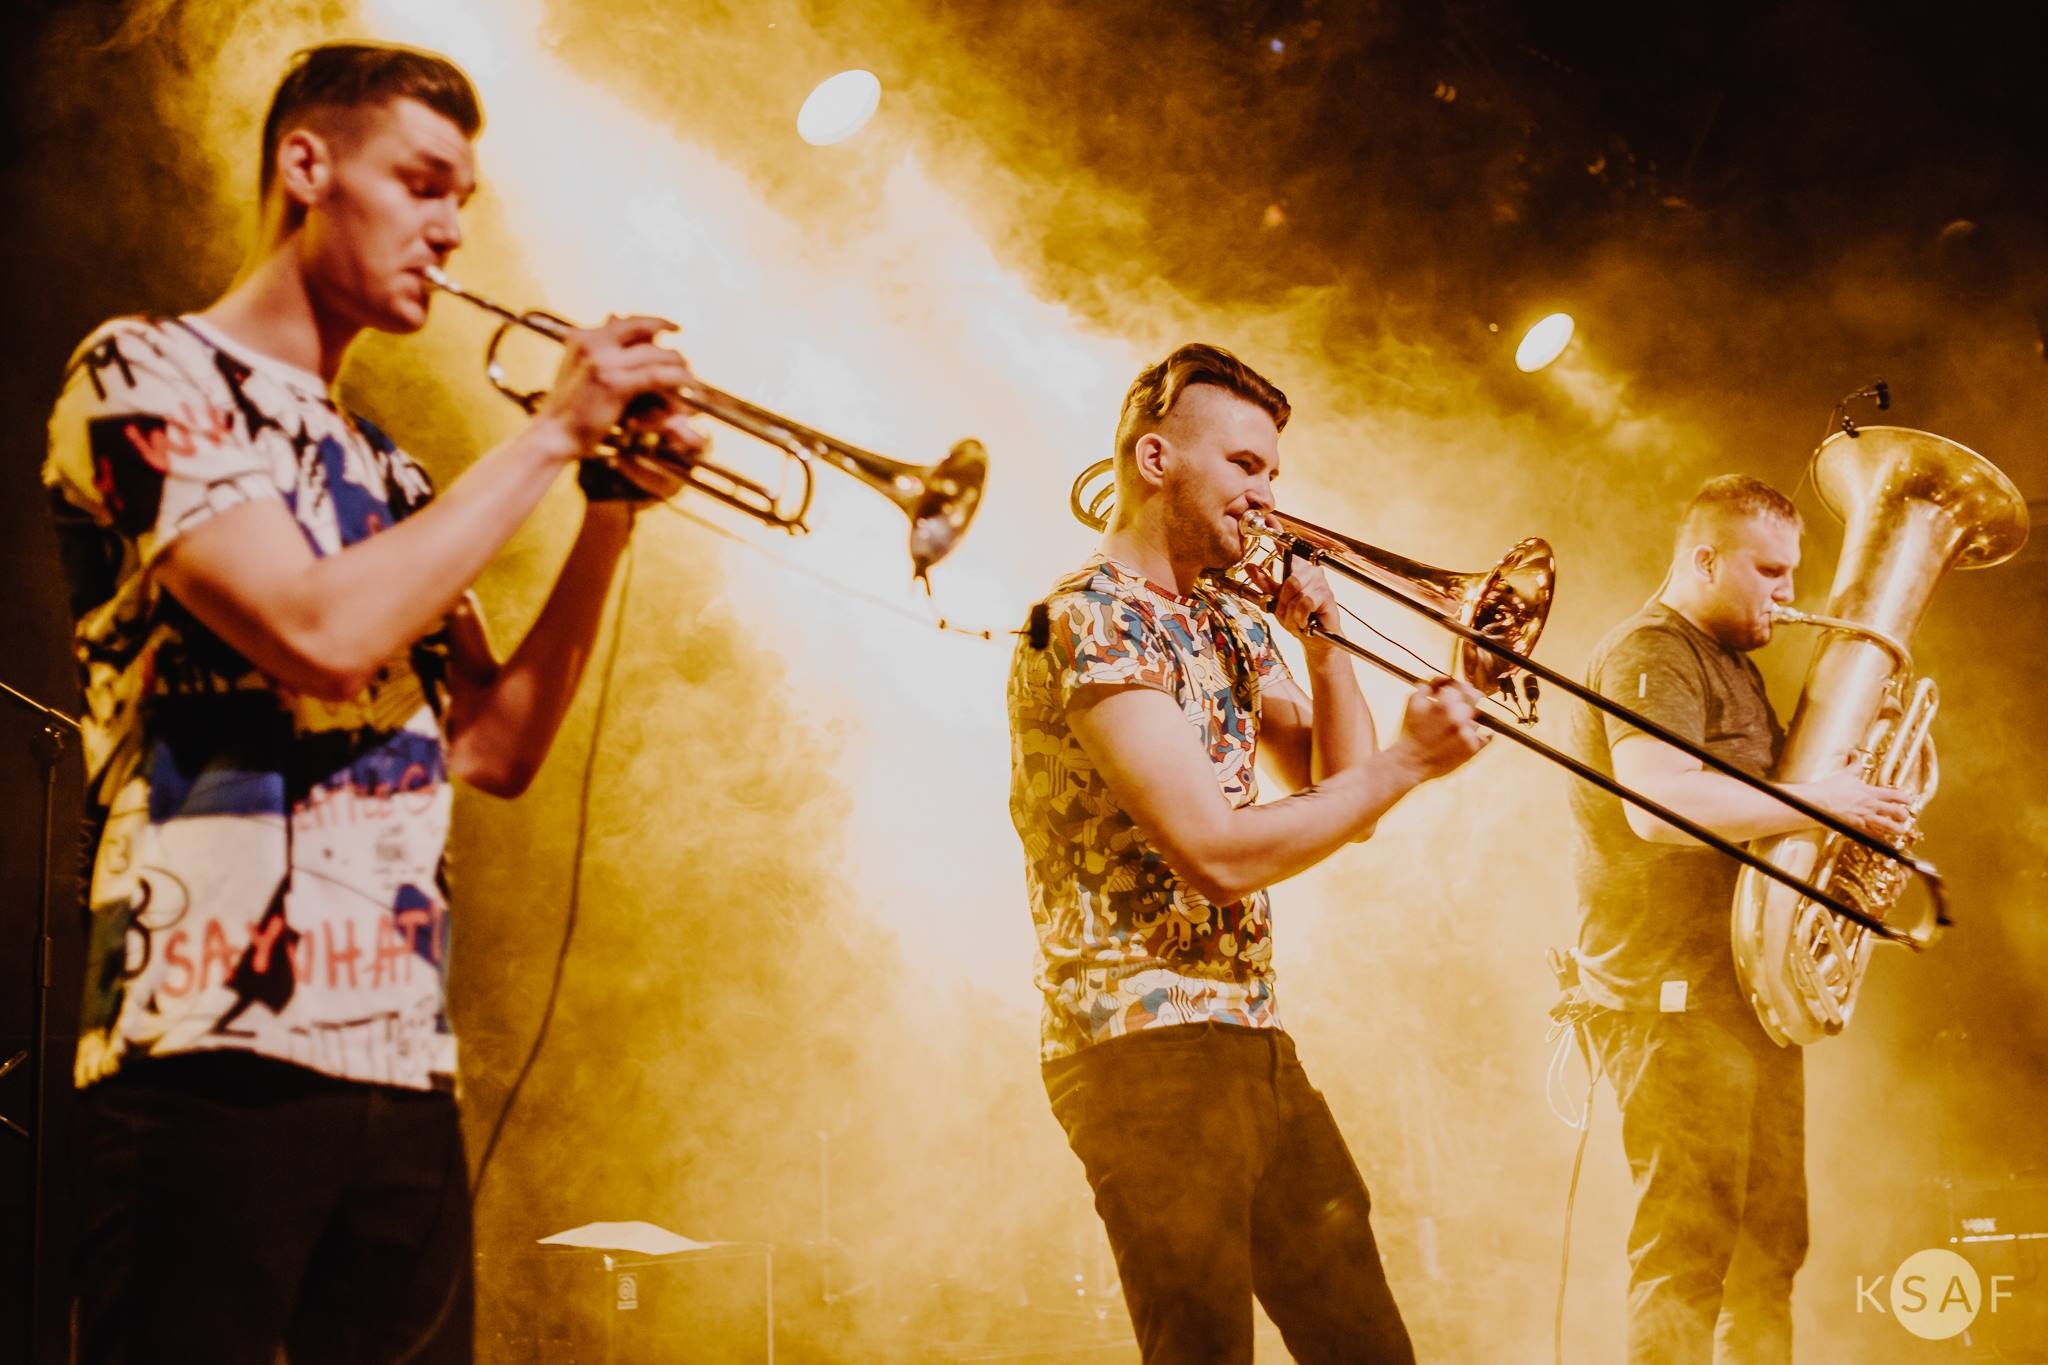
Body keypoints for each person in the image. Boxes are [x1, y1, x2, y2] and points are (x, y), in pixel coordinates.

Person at [42, 41, 703, 1364]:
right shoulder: (144, 374)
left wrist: (610, 520)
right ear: (307, 167)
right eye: (419, 181)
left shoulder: (390, 472)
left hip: (400, 1065)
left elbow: (497, 746)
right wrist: (554, 436)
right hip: (203, 1046)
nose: (451, 227)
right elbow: (316, 632)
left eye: (462, 194)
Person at [1007, 343, 1491, 1363]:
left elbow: (1338, 802)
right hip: (1139, 1050)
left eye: (1271, 471)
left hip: (1252, 1041)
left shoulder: (1222, 620)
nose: (1267, 497)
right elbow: (1216, 857)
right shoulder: (1087, 620)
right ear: (1153, 459)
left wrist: (1327, 649)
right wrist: (1407, 761)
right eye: (1244, 466)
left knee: (1367, 1348)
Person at [1564, 475, 1914, 1365]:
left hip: (1742, 997)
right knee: (1688, 1255)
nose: (1790, 595)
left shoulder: (1733, 667)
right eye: (1771, 571)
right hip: (1670, 1001)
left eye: (1794, 573)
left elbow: (1766, 824)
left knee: (1770, 1252)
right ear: (1705, 558)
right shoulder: (1651, 650)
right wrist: (1820, 803)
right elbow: (1656, 803)